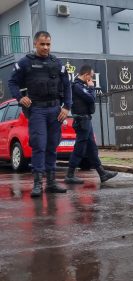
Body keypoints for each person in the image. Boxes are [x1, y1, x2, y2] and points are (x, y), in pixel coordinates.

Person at [8, 31, 71, 197]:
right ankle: (38, 184)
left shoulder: (57, 63)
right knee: (39, 145)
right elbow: (12, 82)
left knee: (52, 145)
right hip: (37, 110)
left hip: (55, 110)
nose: (45, 47)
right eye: (42, 44)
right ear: (35, 44)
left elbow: (67, 86)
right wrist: (20, 98)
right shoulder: (25, 63)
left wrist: (67, 107)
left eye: (48, 44)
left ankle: (51, 183)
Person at [64, 64, 118, 184]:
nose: (92, 79)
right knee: (79, 148)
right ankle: (70, 174)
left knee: (92, 148)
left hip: (86, 120)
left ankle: (102, 173)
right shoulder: (77, 86)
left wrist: (89, 88)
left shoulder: (82, 86)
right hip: (82, 120)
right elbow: (91, 99)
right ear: (86, 75)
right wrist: (92, 87)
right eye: (91, 77)